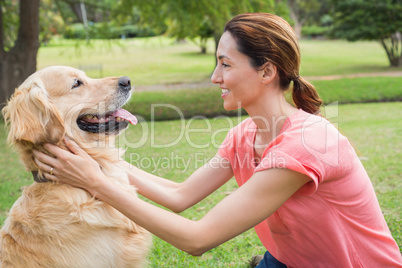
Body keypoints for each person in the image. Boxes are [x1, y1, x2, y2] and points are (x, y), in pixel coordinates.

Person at [33, 13, 402, 267]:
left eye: (226, 64)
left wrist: (95, 181)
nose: (215, 77)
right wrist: (96, 163)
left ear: (267, 71)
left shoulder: (306, 143)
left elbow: (198, 239)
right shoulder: (244, 136)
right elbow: (180, 197)